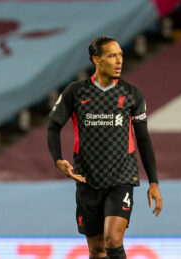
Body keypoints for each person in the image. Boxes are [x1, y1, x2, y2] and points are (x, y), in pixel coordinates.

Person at [47, 36, 162, 259]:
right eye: (112, 55)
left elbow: (143, 139)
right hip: (87, 179)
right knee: (97, 249)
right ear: (96, 60)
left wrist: (154, 182)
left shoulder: (132, 94)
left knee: (113, 240)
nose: (119, 60)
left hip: (121, 178)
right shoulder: (75, 92)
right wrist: (58, 160)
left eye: (120, 55)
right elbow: (53, 127)